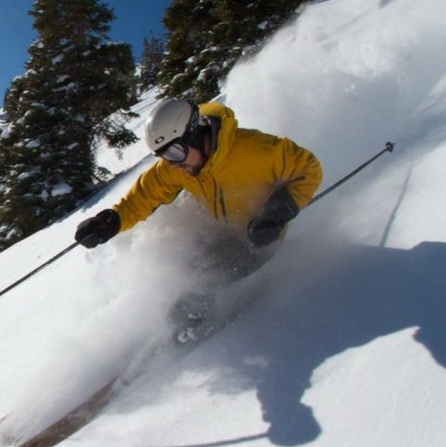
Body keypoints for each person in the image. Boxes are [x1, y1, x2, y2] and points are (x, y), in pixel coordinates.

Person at [74, 98, 323, 342]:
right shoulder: (178, 165)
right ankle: (170, 326)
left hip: (258, 238)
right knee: (180, 268)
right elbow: (143, 197)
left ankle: (197, 335)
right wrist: (111, 221)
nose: (173, 163)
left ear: (194, 135)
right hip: (221, 233)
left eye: (175, 152)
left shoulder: (255, 150)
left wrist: (276, 213)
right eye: (164, 155)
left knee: (197, 289)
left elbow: (308, 169)